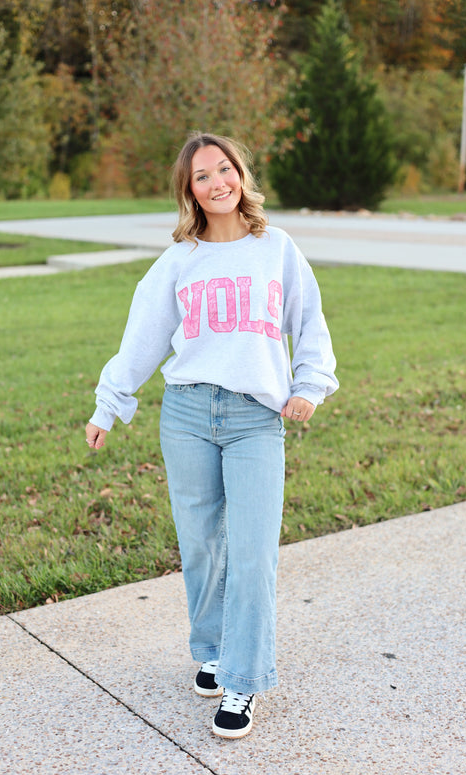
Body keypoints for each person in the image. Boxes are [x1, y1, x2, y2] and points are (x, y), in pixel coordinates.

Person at [85, 131, 338, 739]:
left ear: (241, 176)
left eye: (225, 169)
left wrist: (308, 386)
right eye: (202, 175)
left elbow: (309, 324)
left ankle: (245, 682)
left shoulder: (276, 249)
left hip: (255, 418)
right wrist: (108, 404)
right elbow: (142, 337)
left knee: (252, 552)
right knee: (201, 545)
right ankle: (213, 650)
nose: (217, 182)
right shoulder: (180, 260)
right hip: (188, 415)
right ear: (189, 190)